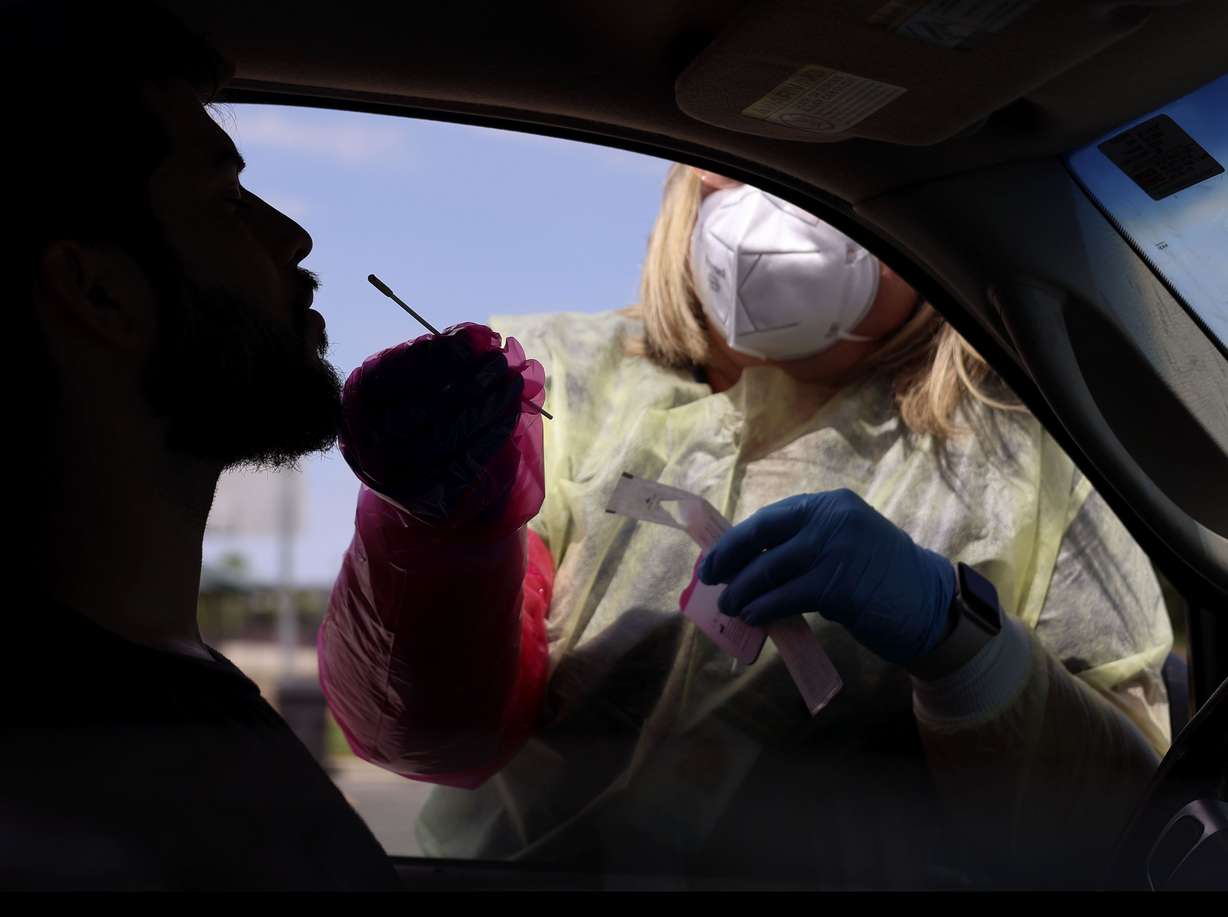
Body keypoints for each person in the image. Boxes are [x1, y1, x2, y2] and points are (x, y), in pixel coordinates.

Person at [321, 174, 1173, 884]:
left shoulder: (1035, 459)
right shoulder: (557, 391)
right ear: (684, 190)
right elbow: (424, 733)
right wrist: (433, 539)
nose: (774, 210)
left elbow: (1122, 825)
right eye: (740, 167)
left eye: (829, 167)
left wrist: (964, 646)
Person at [0, 1, 398, 891]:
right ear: (98, 295)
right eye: (224, 199)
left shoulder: (155, 688)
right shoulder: (61, 801)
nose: (290, 237)